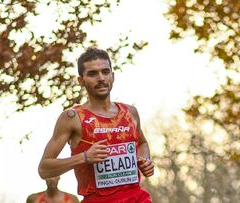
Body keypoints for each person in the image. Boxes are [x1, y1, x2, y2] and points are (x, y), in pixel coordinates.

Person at [38, 47, 154, 203]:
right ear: (81, 80)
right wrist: (84, 157)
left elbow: (142, 143)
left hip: (136, 197)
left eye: (105, 72)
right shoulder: (72, 118)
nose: (101, 78)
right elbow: (44, 168)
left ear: (112, 76)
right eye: (93, 74)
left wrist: (144, 160)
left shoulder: (130, 112)